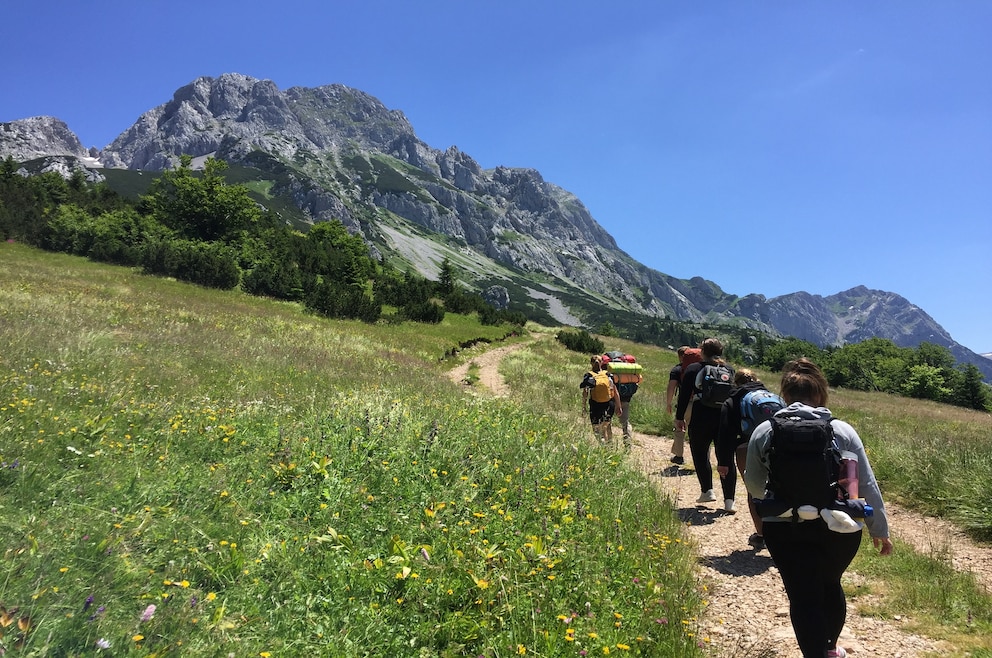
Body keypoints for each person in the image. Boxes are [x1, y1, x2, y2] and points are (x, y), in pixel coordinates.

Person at [744, 358, 893, 658]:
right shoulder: (843, 429)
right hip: (839, 527)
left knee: (802, 595)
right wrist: (880, 530)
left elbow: (755, 487)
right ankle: (831, 649)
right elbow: (866, 483)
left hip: (784, 526)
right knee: (829, 585)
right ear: (821, 393)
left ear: (784, 395)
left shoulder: (765, 430)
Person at [716, 369, 779, 545]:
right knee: (777, 489)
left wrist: (723, 461)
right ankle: (781, 531)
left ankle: (761, 535)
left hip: (747, 447)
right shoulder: (772, 396)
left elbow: (725, 433)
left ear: (736, 382)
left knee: (754, 491)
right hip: (778, 447)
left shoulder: (733, 400)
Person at [674, 338, 734, 505]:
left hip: (701, 415)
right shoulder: (729, 370)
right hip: (724, 416)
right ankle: (730, 500)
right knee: (726, 456)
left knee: (700, 453)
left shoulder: (694, 368)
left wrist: (679, 418)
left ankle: (707, 491)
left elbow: (685, 395)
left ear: (702, 351)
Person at [580, 355, 623, 447]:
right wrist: (618, 406)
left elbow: (585, 392)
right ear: (602, 363)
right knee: (606, 426)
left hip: (596, 405)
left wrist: (583, 407)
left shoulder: (589, 376)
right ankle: (610, 446)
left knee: (596, 430)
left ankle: (603, 447)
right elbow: (615, 391)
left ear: (591, 363)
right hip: (609, 404)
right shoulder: (608, 375)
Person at [665, 346, 692, 465]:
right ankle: (702, 458)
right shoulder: (701, 367)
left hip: (684, 404)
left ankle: (679, 456)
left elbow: (671, 387)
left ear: (680, 356)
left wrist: (669, 403)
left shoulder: (677, 369)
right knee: (697, 432)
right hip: (700, 404)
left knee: (679, 429)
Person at [611, 361, 643, 452]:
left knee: (607, 421)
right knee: (625, 423)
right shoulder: (629, 374)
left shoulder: (612, 372)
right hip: (626, 400)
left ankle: (608, 445)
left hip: (612, 400)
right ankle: (628, 446)